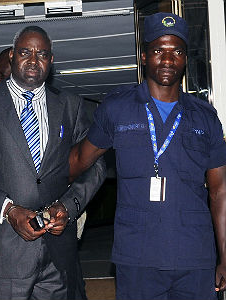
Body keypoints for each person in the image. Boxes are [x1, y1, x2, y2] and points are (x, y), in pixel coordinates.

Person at [68, 12, 226, 299]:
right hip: (137, 256)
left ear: (185, 58)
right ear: (144, 56)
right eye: (158, 50)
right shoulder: (117, 108)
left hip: (195, 256)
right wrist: (37, 191)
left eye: (177, 51)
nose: (168, 60)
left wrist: (225, 256)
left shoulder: (206, 117)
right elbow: (79, 161)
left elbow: (220, 192)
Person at [0, 25, 106, 300]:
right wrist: (6, 209)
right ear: (11, 57)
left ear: (51, 61)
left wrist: (68, 206)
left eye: (42, 53)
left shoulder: (71, 105)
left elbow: (96, 165)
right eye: (25, 52)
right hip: (1, 255)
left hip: (58, 255)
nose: (33, 60)